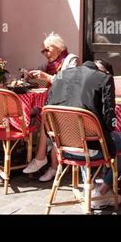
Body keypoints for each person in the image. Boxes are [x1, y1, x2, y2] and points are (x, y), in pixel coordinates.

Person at [43, 59, 121, 209]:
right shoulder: (104, 78)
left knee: (82, 136)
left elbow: (47, 114)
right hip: (91, 149)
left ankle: (90, 187)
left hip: (64, 149)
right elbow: (109, 123)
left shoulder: (60, 76)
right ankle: (102, 191)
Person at [23, 32, 80, 181]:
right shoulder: (49, 65)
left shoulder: (71, 59)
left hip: (70, 104)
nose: (45, 54)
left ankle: (43, 160)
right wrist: (29, 74)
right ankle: (51, 166)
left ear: (58, 48)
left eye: (47, 50)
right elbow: (38, 71)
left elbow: (69, 82)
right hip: (55, 104)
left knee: (49, 117)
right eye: (43, 51)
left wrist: (47, 77)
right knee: (44, 115)